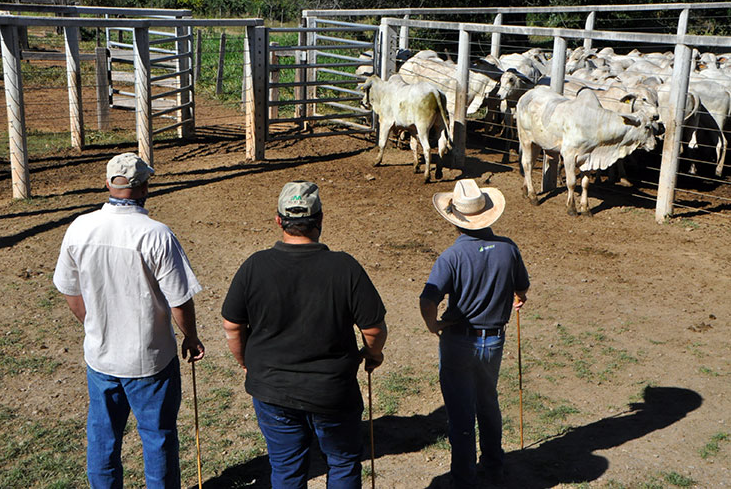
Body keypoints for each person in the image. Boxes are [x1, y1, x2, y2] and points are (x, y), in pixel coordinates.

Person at [221, 180, 387, 489]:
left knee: (286, 468)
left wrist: (245, 361)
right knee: (343, 461)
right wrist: (373, 355)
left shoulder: (254, 266)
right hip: (332, 392)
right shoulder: (345, 268)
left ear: (279, 220)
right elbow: (373, 329)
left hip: (272, 389)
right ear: (320, 219)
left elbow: (232, 325)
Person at [53, 152, 205, 489]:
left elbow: (69, 290)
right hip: (150, 360)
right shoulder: (157, 235)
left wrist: (93, 325)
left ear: (107, 183)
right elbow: (179, 299)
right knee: (158, 437)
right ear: (144, 188)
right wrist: (191, 337)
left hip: (102, 357)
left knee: (103, 438)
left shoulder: (80, 227)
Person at [419, 179, 529, 489]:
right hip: (494, 338)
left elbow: (428, 300)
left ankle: (463, 478)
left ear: (455, 219)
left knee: (460, 411)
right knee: (488, 401)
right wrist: (518, 297)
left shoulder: (451, 257)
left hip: (458, 340)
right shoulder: (509, 249)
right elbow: (521, 288)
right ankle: (494, 466)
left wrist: (433, 325)